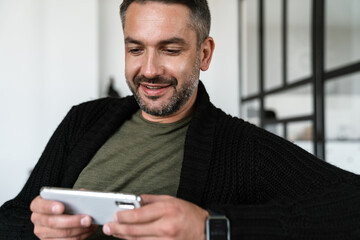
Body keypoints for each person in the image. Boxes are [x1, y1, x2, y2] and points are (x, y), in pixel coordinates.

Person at [1, 0, 360, 239]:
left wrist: (212, 225)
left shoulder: (242, 147)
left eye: (171, 50)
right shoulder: (83, 120)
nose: (150, 70)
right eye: (135, 49)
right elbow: (13, 214)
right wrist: (35, 227)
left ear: (204, 54)